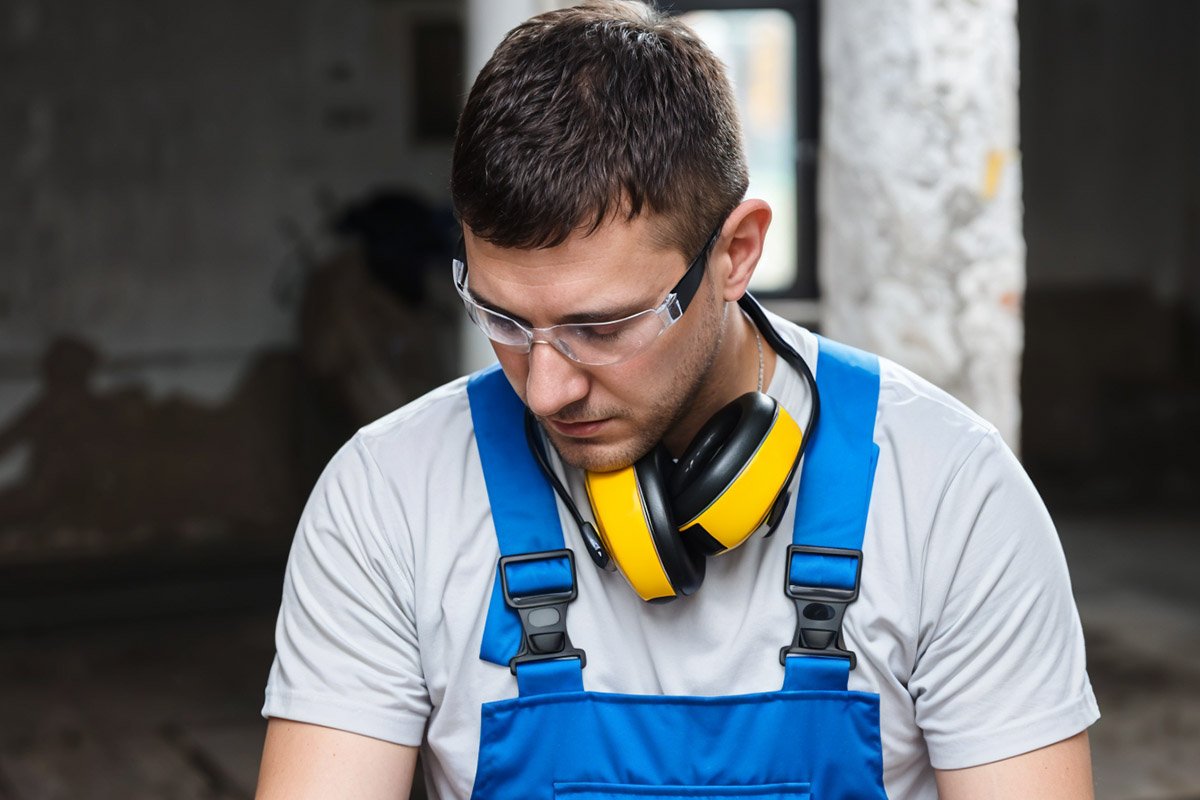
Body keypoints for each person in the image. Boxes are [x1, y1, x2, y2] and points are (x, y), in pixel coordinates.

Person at [255, 2, 1099, 798]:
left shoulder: (951, 496)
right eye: (502, 318)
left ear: (736, 253)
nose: (546, 387)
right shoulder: (387, 497)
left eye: (603, 326)